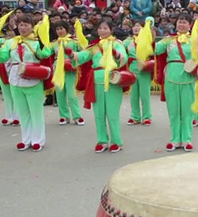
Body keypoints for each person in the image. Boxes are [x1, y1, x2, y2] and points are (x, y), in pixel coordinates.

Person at [0, 14, 53, 152]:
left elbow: (45, 54)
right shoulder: (10, 42)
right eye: (20, 25)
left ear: (32, 26)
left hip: (33, 77)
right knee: (23, 111)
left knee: (35, 112)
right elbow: (1, 58)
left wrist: (43, 43)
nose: (23, 28)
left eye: (26, 25)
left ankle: (38, 139)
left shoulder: (37, 42)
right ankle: (26, 139)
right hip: (15, 78)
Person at [72, 19, 128, 153]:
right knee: (98, 114)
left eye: (105, 28)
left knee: (112, 113)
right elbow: (83, 56)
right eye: (100, 28)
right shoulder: (94, 46)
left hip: (112, 81)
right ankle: (102, 140)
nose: (102, 30)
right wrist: (71, 54)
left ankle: (116, 141)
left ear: (111, 30)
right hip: (96, 82)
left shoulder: (117, 44)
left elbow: (123, 57)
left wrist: (117, 54)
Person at [154, 13, 197, 152]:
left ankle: (187, 139)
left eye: (185, 22)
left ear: (190, 25)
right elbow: (155, 49)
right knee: (173, 110)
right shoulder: (168, 40)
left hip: (187, 75)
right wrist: (149, 38)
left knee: (187, 111)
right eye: (180, 22)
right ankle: (175, 139)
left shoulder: (195, 40)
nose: (182, 24)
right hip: (171, 75)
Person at [51, 20, 84, 126]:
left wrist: (72, 57)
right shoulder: (54, 43)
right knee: (60, 94)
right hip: (58, 70)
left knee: (71, 94)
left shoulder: (74, 42)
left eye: (61, 28)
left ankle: (77, 116)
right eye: (57, 29)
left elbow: (83, 52)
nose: (59, 31)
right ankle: (64, 116)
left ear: (66, 29)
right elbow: (45, 53)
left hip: (71, 69)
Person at [124, 20, 154, 126]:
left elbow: (153, 52)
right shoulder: (128, 41)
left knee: (145, 95)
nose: (136, 28)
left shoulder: (147, 40)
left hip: (144, 69)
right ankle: (135, 116)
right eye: (134, 26)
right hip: (132, 68)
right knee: (133, 95)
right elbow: (122, 53)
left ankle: (146, 117)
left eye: (139, 26)